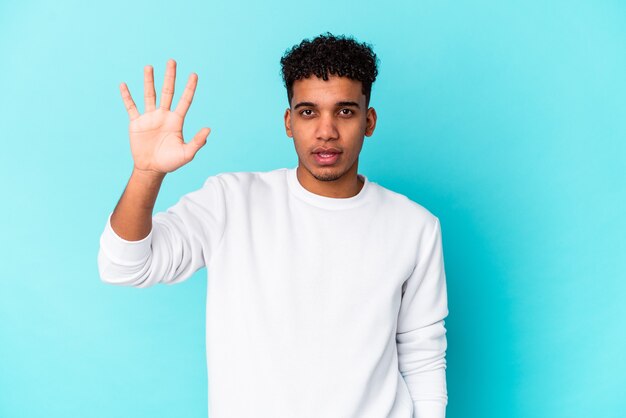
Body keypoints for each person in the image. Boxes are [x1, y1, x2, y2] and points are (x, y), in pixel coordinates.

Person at [98, 33, 449, 418]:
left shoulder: (414, 227)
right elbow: (124, 266)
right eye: (308, 111)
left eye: (345, 112)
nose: (326, 131)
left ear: (369, 121)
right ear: (288, 121)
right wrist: (147, 172)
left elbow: (422, 356)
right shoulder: (230, 201)